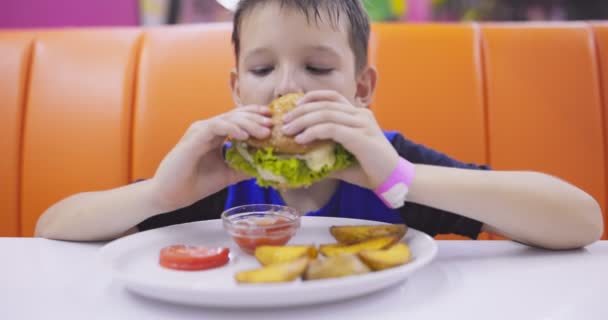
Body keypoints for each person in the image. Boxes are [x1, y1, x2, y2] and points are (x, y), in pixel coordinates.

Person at [35, 0, 603, 250]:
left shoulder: (391, 165)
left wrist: (405, 179)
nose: (287, 87)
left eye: (318, 67)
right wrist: (159, 195)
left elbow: (581, 221)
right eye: (261, 68)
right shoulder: (216, 174)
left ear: (361, 90)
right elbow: (51, 228)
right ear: (235, 90)